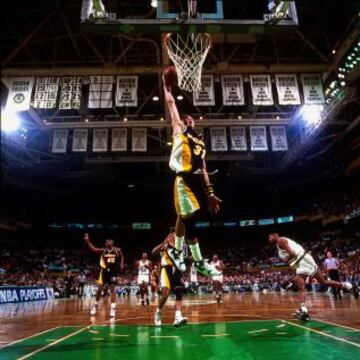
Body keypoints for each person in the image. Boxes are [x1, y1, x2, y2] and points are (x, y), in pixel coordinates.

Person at [163, 73, 222, 277]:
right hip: (183, 178)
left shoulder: (201, 143)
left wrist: (210, 193)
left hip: (195, 181)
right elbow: (172, 107)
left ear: (195, 123)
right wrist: (167, 89)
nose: (188, 119)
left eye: (191, 118)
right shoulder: (179, 130)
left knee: (183, 216)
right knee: (190, 219)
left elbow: (204, 169)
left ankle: (179, 253)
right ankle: (196, 261)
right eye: (185, 118)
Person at [268, 233, 352, 321]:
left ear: (275, 235)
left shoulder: (280, 241)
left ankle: (345, 285)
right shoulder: (279, 244)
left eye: (270, 237)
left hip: (304, 261)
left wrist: (286, 260)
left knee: (323, 282)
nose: (269, 239)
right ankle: (304, 310)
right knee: (302, 287)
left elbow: (292, 254)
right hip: (299, 264)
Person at [152, 229, 188, 327]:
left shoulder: (180, 246)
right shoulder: (165, 246)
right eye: (172, 235)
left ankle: (178, 317)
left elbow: (182, 260)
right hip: (166, 269)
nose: (173, 237)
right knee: (165, 294)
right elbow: (153, 252)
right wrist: (164, 242)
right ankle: (158, 312)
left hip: (176, 270)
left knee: (179, 291)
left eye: (175, 235)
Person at [83, 233, 124, 318]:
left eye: (109, 241)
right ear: (106, 244)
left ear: (112, 243)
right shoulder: (103, 250)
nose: (108, 242)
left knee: (112, 290)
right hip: (104, 271)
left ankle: (113, 308)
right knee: (99, 290)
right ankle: (95, 305)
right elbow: (94, 249)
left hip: (113, 272)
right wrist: (88, 241)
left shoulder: (117, 250)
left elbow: (122, 256)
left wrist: (122, 263)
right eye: (106, 242)